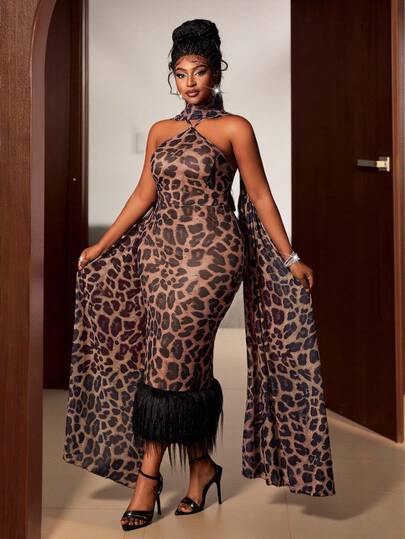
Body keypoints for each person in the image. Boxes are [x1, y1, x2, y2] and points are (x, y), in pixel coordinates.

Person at [62, 18, 336, 532]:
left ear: (216, 73)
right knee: (179, 363)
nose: (190, 82)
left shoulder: (235, 128)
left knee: (169, 362)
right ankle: (202, 467)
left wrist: (289, 256)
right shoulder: (160, 131)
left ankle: (147, 479)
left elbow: (260, 196)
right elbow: (143, 194)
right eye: (181, 73)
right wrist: (102, 244)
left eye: (200, 71)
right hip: (158, 256)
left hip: (212, 257)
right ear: (173, 76)